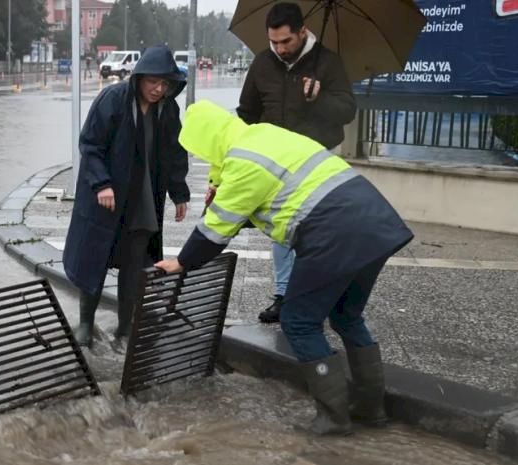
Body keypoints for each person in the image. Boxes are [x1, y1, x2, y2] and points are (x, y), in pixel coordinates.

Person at [157, 101, 413, 436]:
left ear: (206, 141)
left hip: (332, 231)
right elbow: (279, 198)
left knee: (299, 321)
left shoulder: (243, 163)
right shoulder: (264, 136)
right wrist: (227, 198)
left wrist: (182, 262)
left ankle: (333, 419)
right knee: (346, 316)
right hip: (375, 222)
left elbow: (215, 231)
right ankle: (371, 407)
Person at [236, 2, 356, 324]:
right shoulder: (262, 63)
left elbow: (348, 110)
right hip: (278, 163)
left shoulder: (328, 63)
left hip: (318, 160)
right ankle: (284, 296)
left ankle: (320, 294)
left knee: (318, 231)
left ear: (302, 31)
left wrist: (319, 98)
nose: (280, 48)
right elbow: (246, 114)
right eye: (273, 42)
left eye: (286, 41)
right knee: (282, 229)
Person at [63, 45, 190, 348]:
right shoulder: (113, 99)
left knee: (136, 263)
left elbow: (175, 153)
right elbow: (90, 145)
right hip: (107, 198)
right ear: (139, 78)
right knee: (95, 257)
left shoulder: (168, 109)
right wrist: (101, 184)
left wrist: (179, 193)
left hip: (144, 198)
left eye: (165, 84)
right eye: (153, 82)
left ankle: (125, 327)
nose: (158, 89)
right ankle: (86, 323)